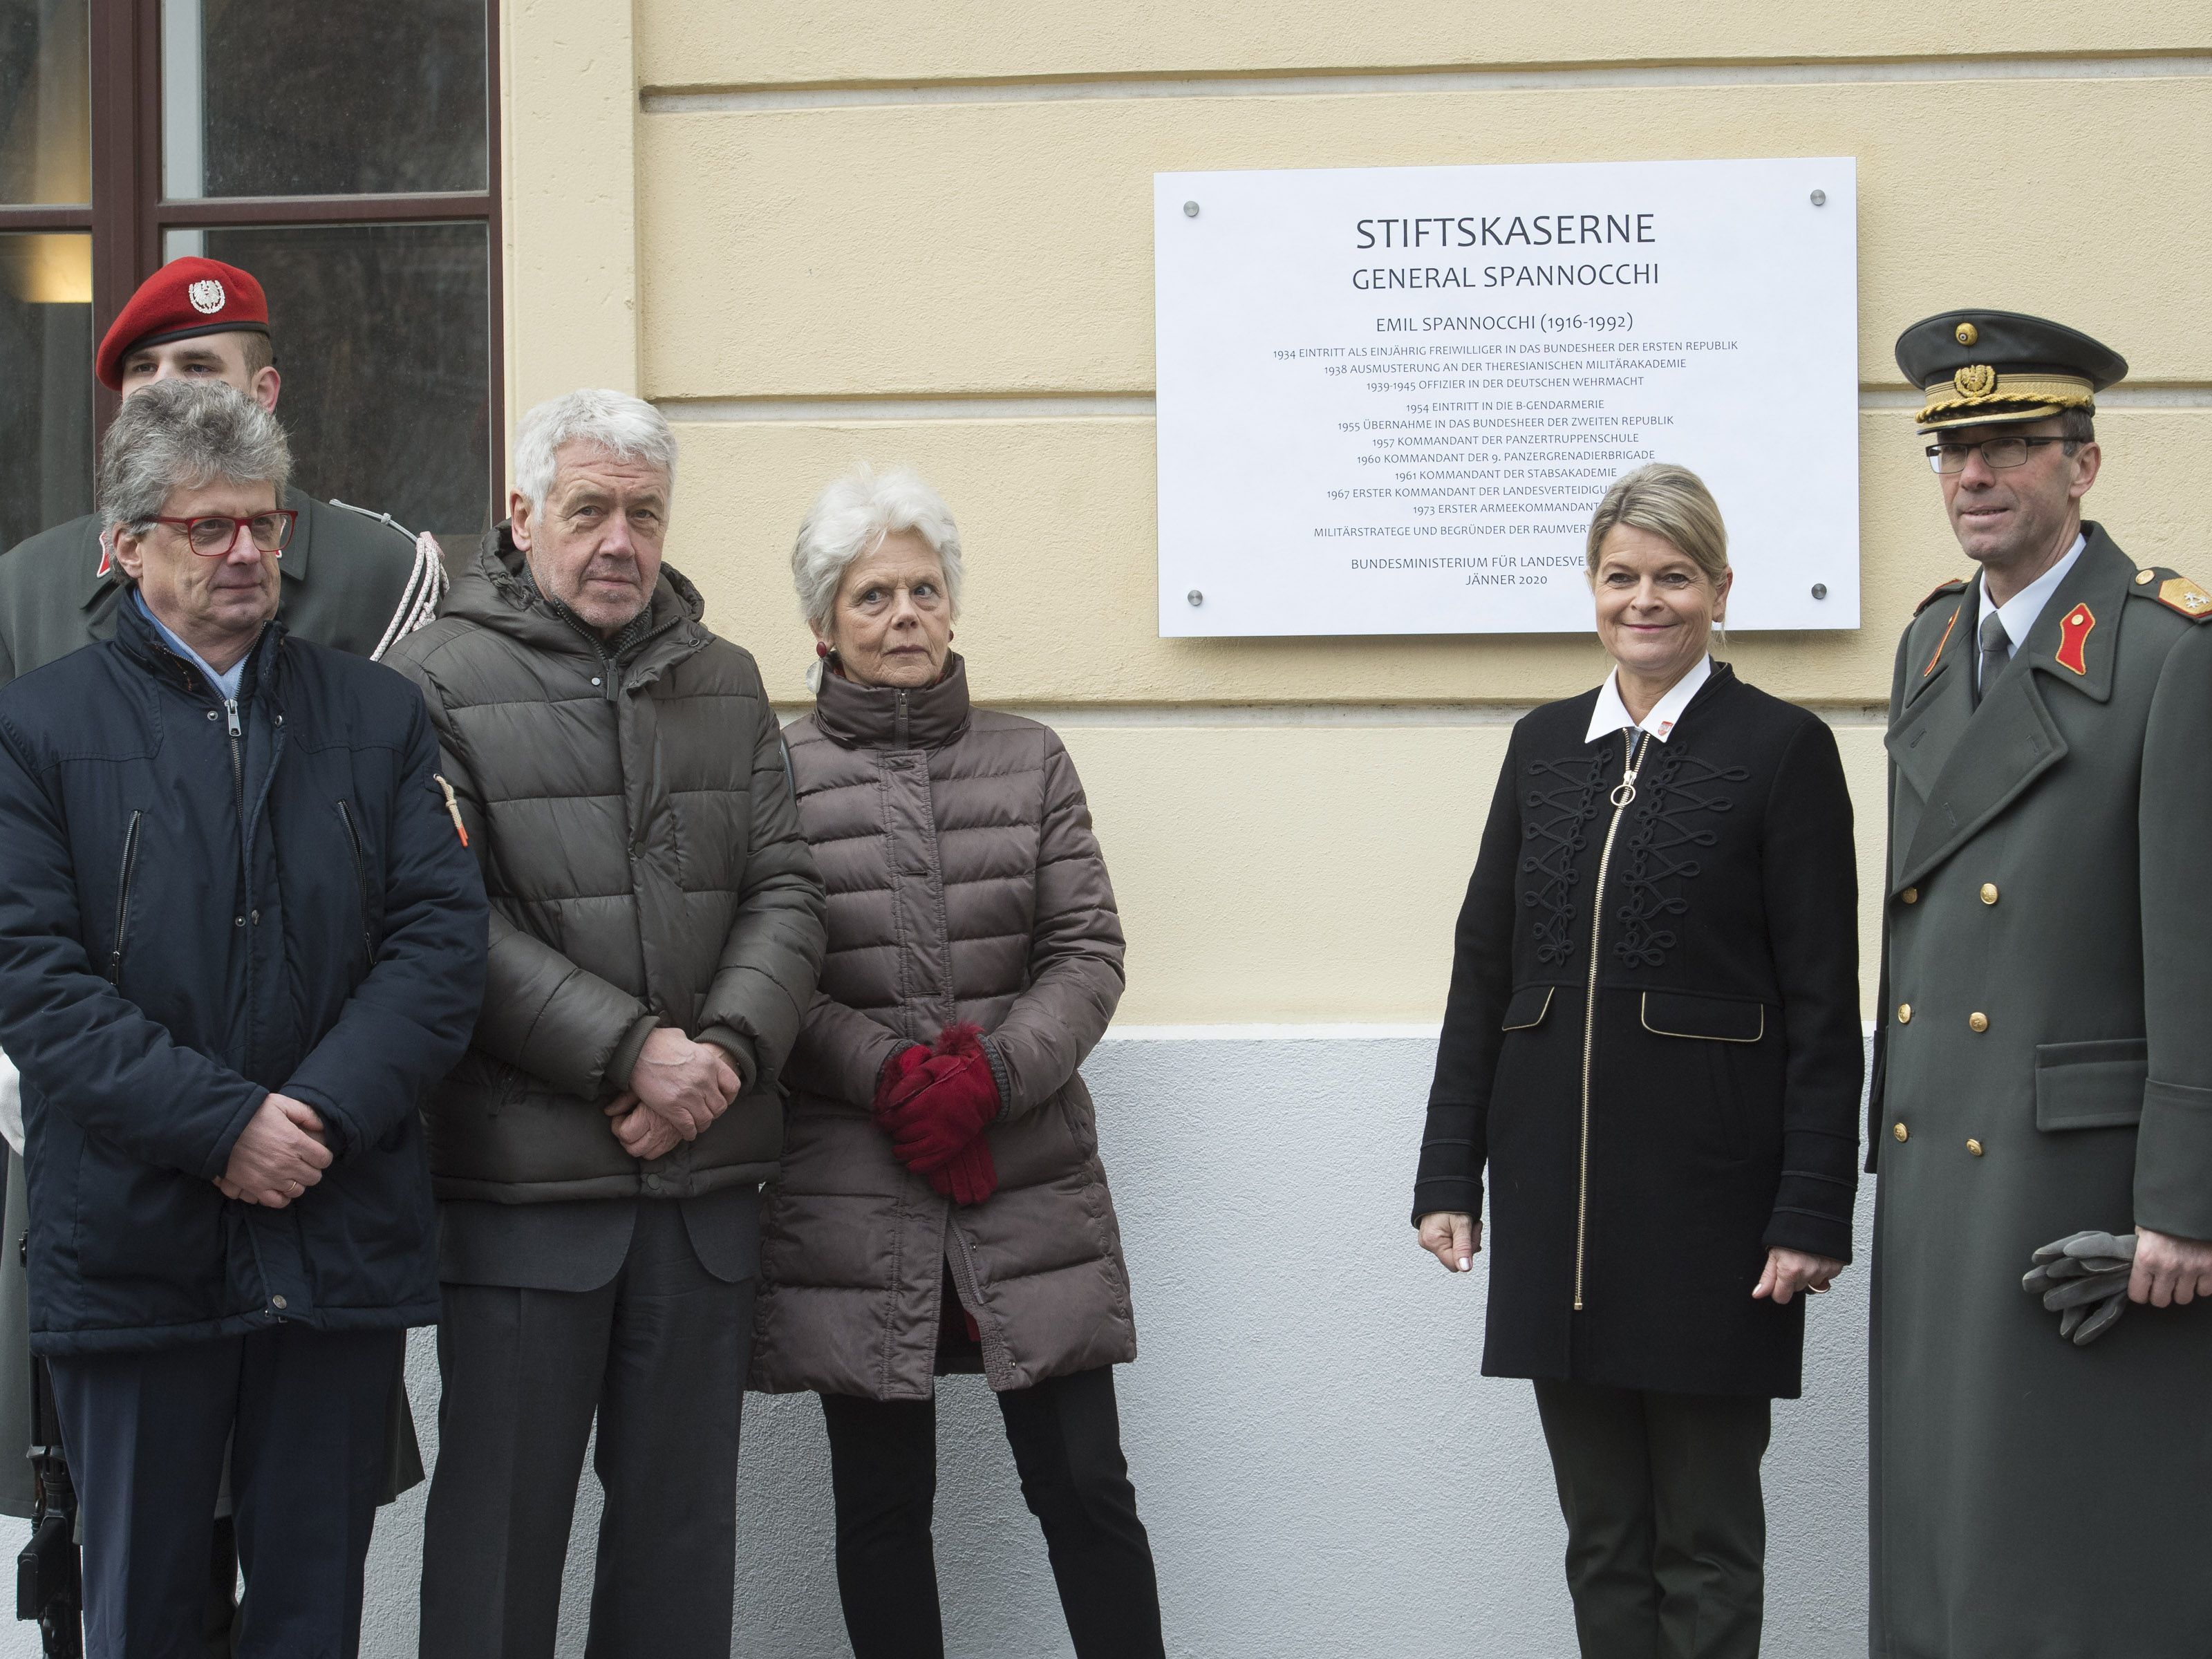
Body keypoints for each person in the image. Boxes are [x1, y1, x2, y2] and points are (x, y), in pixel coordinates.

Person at [0, 255, 448, 1649]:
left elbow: (436, 945)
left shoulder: (375, 718)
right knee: (140, 1610)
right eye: (205, 529)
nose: (245, 553)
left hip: (330, 1239)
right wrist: (222, 1127)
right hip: (135, 1248)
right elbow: (34, 977)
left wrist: (306, 1118)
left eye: (260, 524)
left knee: (311, 1614)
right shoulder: (40, 725)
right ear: (128, 546)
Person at [385, 388, 827, 1658]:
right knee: (498, 1552)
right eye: (589, 510)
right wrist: (633, 1050)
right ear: (523, 518)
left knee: (680, 1550)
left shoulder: (727, 678)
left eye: (644, 512)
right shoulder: (433, 683)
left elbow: (789, 888)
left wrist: (728, 1056)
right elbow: (441, 924)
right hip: (525, 1200)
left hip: (700, 1193)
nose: (620, 540)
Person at [1412, 463, 1862, 1658]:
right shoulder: (1544, 746)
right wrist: (1448, 1175)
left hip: (1718, 1212)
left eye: (1673, 576)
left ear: (1720, 589)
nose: (1645, 601)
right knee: (1602, 1535)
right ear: (1593, 590)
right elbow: (1483, 976)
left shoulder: (1783, 749)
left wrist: (1812, 1207)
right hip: (1559, 1203)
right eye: (1622, 577)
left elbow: (1826, 1002)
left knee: (1706, 1543)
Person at [751, 465, 1164, 1659]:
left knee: (1085, 1488)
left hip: (1023, 1176)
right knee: (882, 1511)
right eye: (871, 596)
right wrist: (885, 1072)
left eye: (924, 589)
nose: (904, 616)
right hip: (857, 1191)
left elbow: (1087, 949)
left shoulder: (1029, 760)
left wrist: (994, 1074)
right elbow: (773, 975)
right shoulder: (773, 775)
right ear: (823, 624)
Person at [1868, 311, 2212, 1657]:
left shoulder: (2167, 656)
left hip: (2082, 1181)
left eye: (2010, 444)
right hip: (1942, 1152)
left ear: (2084, 465)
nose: (1974, 475)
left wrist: (2183, 1207)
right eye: (1953, 448)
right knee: (1944, 1544)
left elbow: (2195, 947)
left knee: (2065, 1560)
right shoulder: (1928, 649)